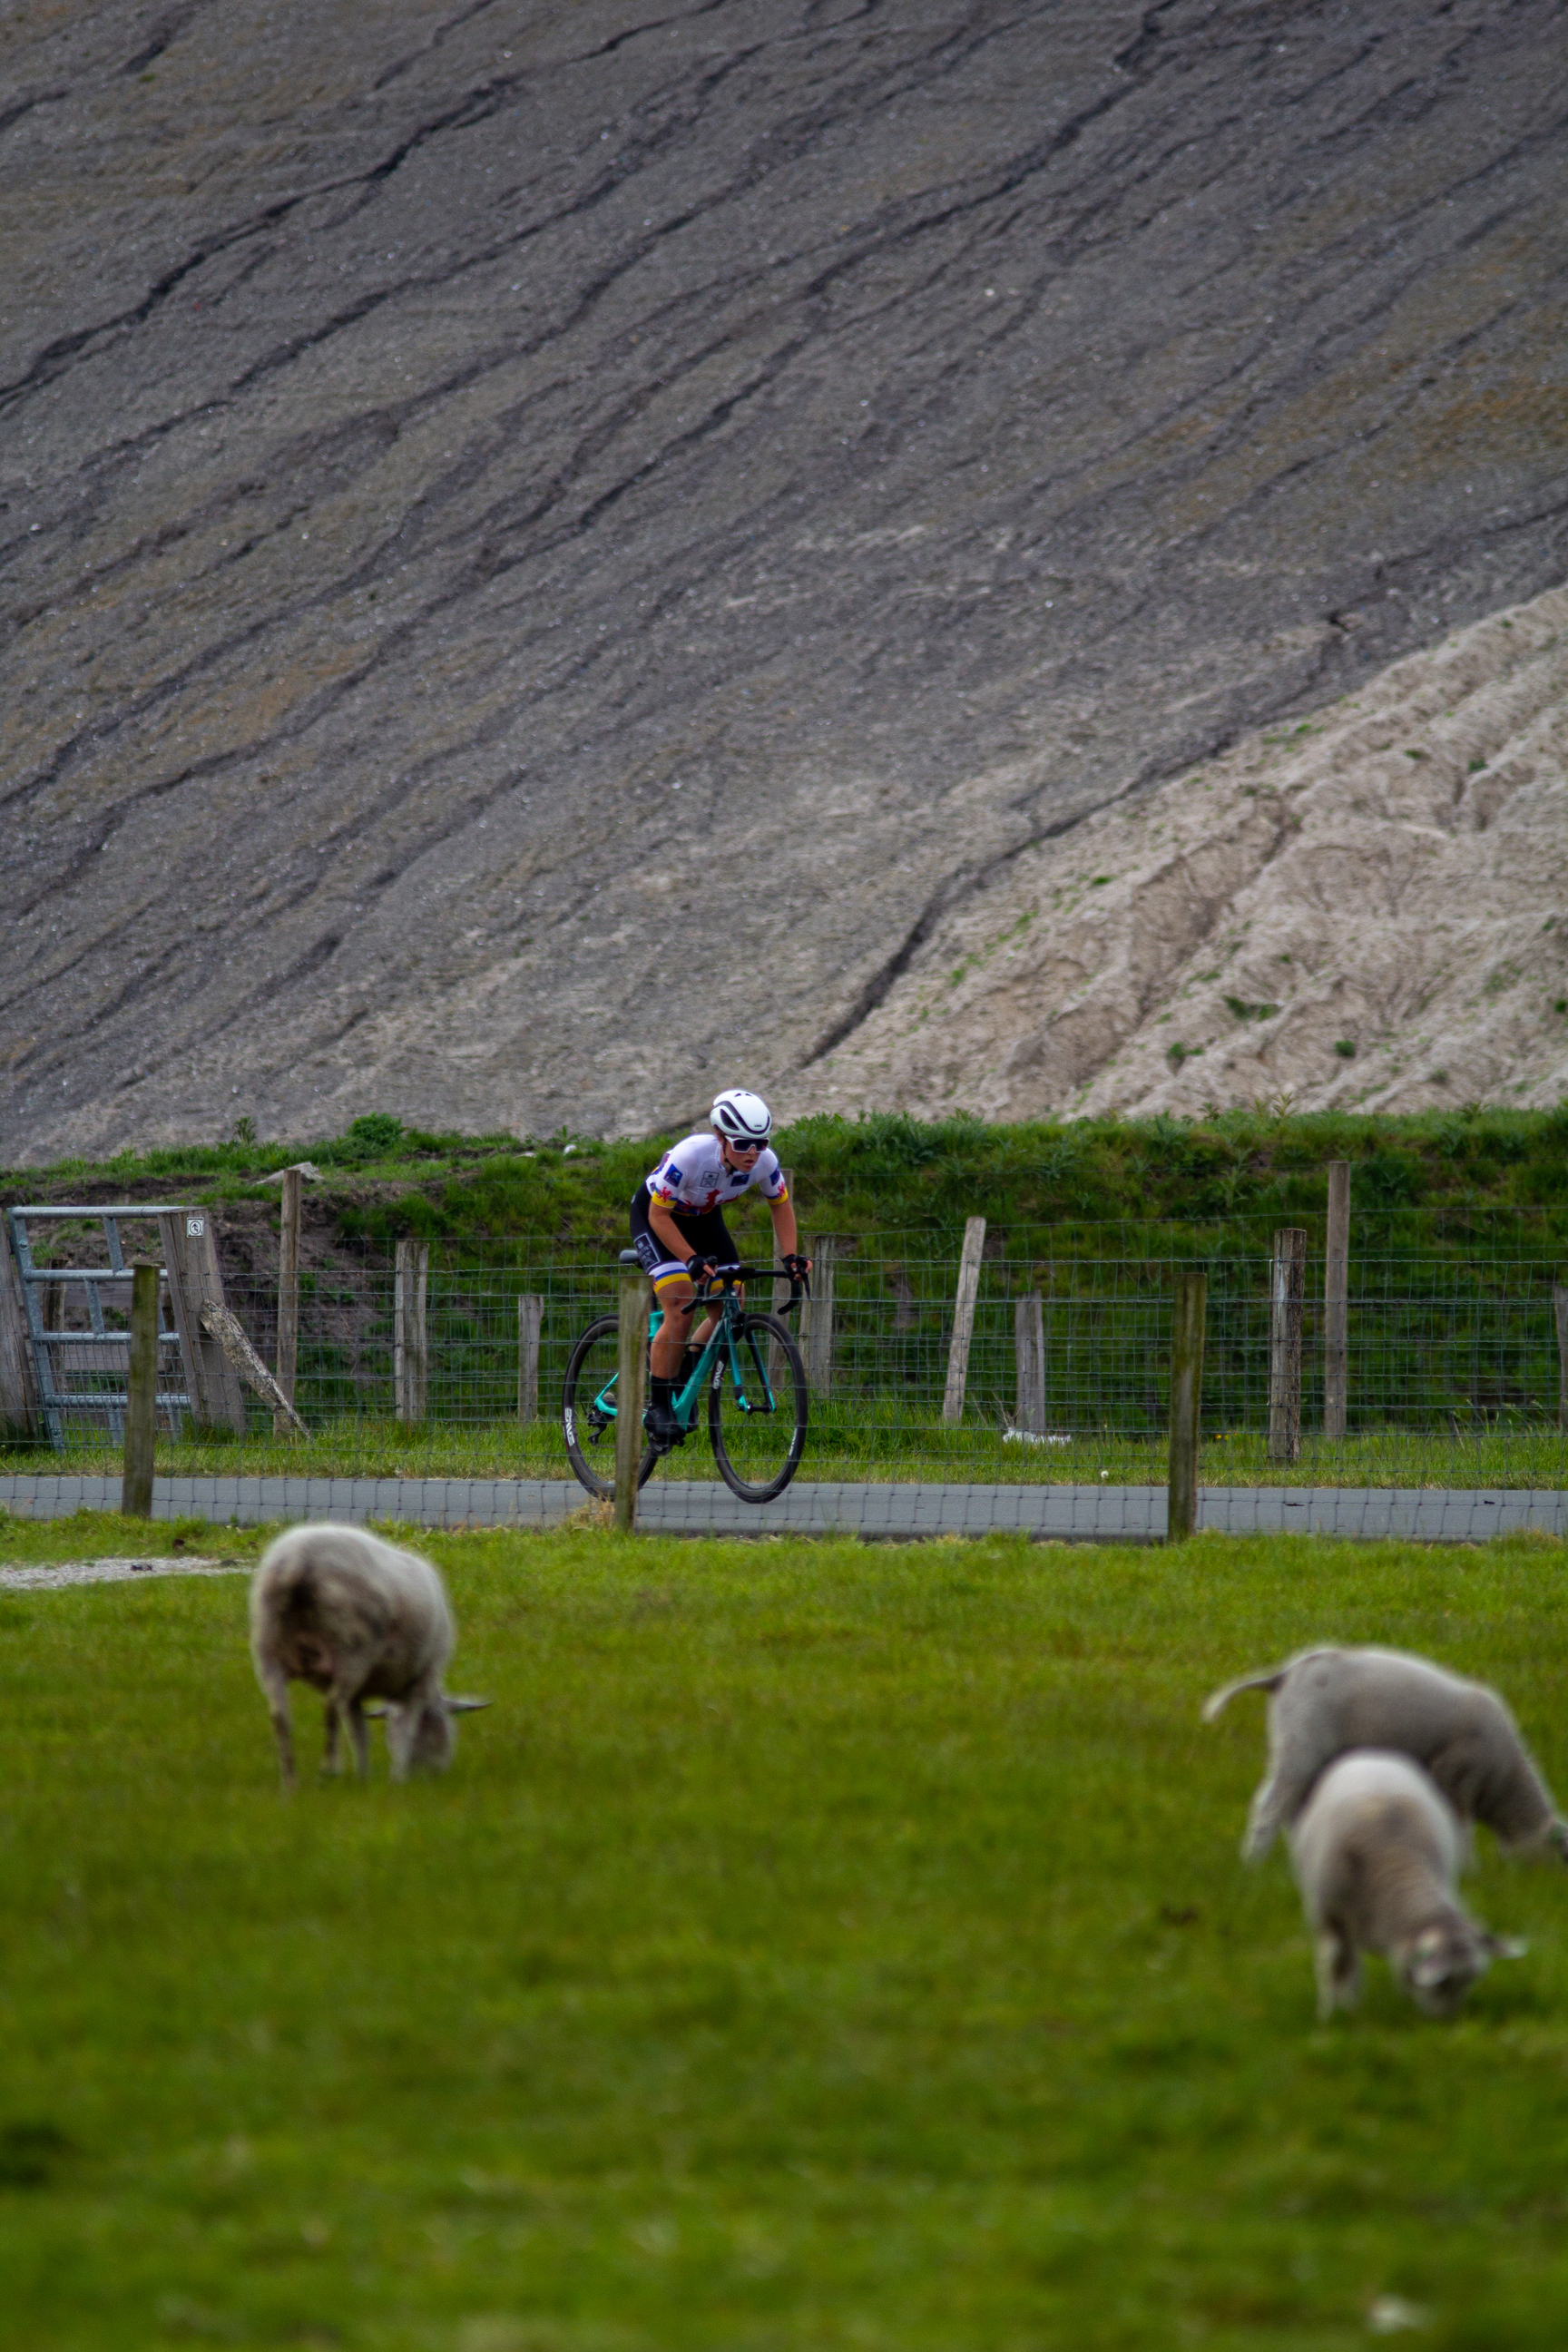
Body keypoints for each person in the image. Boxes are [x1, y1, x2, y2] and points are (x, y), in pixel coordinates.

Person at [629, 1089, 808, 1447]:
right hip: (657, 1219)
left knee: (731, 1299)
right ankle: (660, 1405)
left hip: (705, 1219)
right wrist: (690, 1260)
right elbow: (657, 1215)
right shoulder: (691, 1155)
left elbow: (781, 1205)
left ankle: (687, 1368)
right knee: (680, 1304)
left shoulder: (764, 1162)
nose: (752, 1153)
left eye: (760, 1143)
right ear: (720, 1138)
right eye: (742, 1144)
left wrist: (790, 1257)